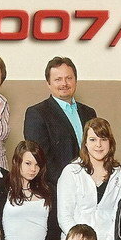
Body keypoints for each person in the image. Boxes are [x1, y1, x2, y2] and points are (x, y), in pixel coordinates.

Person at [56, 118, 121, 240]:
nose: (98, 145)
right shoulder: (71, 172)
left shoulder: (119, 175)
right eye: (93, 139)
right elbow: (64, 216)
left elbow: (119, 219)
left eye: (103, 139)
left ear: (110, 143)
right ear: (85, 143)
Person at [24, 56, 97, 186]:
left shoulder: (89, 113)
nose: (64, 83)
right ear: (48, 83)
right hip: (56, 187)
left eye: (69, 78)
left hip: (90, 184)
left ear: (76, 80)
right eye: (58, 79)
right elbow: (41, 157)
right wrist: (68, 185)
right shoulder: (37, 114)